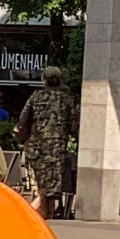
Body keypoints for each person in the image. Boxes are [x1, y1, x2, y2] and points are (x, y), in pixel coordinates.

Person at [17, 66, 78, 218]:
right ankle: (51, 211)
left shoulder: (35, 97)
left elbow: (22, 121)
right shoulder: (67, 99)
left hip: (37, 147)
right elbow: (73, 126)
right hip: (57, 147)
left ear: (44, 80)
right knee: (55, 180)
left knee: (41, 181)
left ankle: (43, 211)